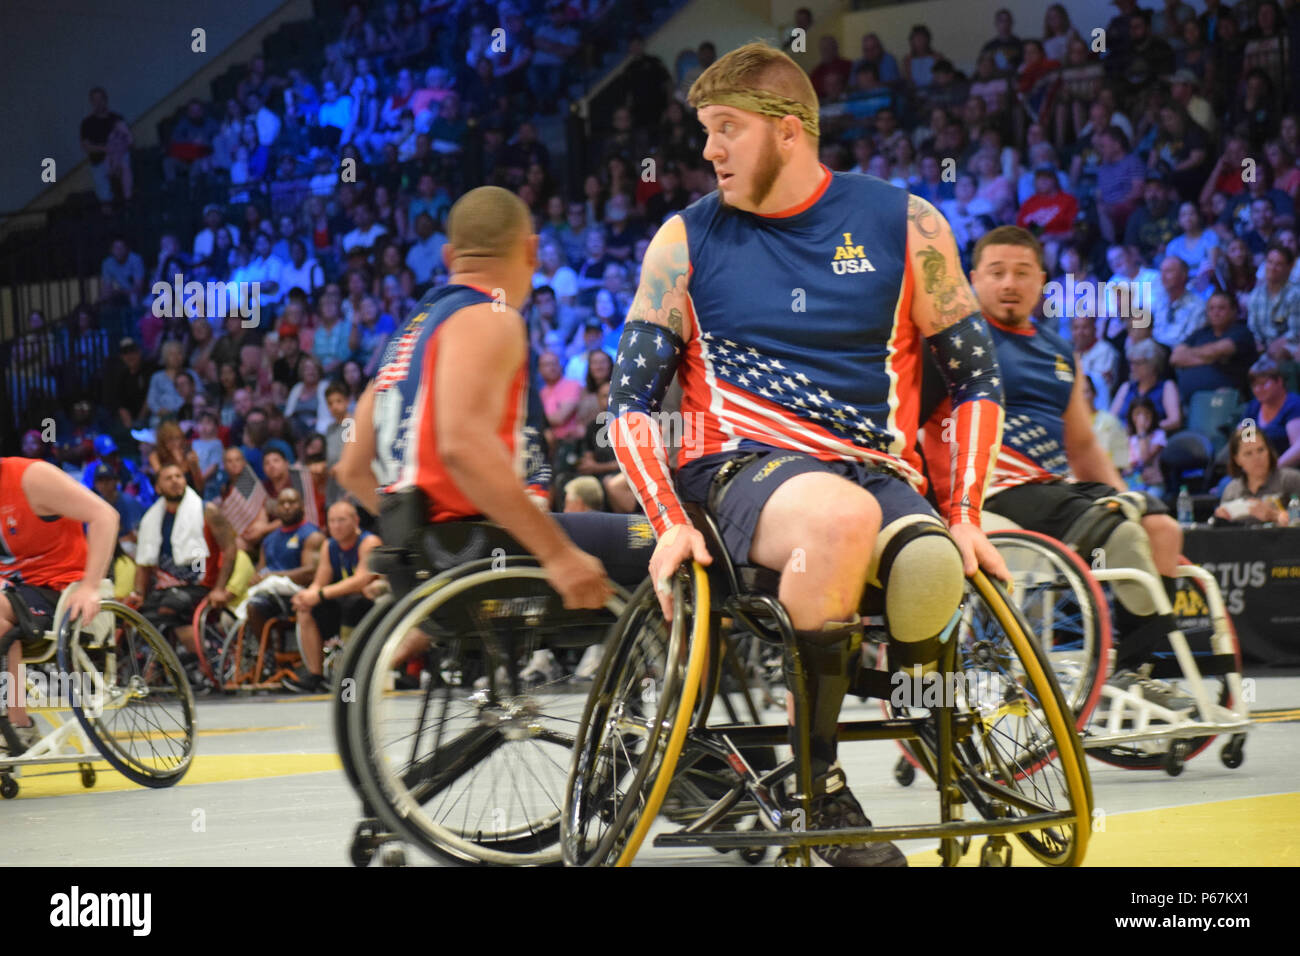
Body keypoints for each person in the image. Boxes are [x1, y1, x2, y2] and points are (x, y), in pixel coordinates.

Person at [604, 42, 1009, 868]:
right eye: (705, 133)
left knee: (927, 559)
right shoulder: (682, 242)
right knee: (837, 517)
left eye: (726, 130)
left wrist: (963, 513)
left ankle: (927, 726)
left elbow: (976, 382)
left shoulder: (908, 223)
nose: (709, 150)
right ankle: (817, 792)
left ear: (789, 133)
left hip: (876, 469)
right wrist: (667, 518)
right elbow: (629, 403)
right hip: (737, 470)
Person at [939, 225, 1190, 702]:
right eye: (996, 273)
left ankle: (1136, 667)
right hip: (993, 488)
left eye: (1021, 273)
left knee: (1160, 527)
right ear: (973, 278)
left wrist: (1123, 495)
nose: (1009, 283)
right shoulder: (956, 339)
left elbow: (1083, 446)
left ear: (1042, 282)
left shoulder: (1058, 351)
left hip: (1052, 487)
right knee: (1121, 532)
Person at [1, 457, 119, 753]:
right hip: (14, 595)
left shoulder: (31, 477)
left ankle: (17, 726)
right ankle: (17, 722)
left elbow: (105, 516)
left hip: (61, 590)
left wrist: (91, 586)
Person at [127, 464, 238, 667]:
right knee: (137, 613)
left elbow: (230, 548)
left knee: (170, 607)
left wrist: (220, 588)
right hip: (165, 587)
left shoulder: (207, 511)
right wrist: (138, 593)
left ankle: (164, 664)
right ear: (158, 487)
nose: (175, 480)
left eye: (179, 476)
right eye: (168, 477)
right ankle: (161, 663)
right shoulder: (151, 518)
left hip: (199, 584)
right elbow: (143, 562)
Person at [284, 501, 378, 692]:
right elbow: (320, 581)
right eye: (332, 521)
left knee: (355, 603)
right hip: (343, 601)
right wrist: (306, 595)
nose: (336, 526)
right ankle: (315, 675)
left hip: (369, 603)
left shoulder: (369, 542)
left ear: (356, 520)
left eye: (341, 520)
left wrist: (319, 594)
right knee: (305, 609)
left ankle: (353, 676)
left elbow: (361, 580)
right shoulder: (329, 545)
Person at [236, 488, 324, 667]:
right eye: (282, 503)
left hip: (298, 596)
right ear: (276, 509)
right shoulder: (269, 539)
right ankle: (266, 656)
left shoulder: (312, 535)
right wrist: (256, 578)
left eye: (292, 502)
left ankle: (269, 658)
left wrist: (274, 575)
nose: (287, 507)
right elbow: (260, 572)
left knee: (256, 605)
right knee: (252, 605)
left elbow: (310, 573)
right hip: (269, 595)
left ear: (302, 506)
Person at [1214, 427, 1300, 525]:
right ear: (1237, 460)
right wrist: (1222, 520)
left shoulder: (1291, 479)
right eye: (1248, 453)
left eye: (1261, 450)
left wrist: (1274, 515)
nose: (1257, 458)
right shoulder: (1232, 490)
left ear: (1269, 451)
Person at [1111, 337, 1182, 433]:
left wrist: (1144, 428)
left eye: (1138, 363)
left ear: (1153, 364)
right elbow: (1111, 418)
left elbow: (1175, 421)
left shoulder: (1166, 386)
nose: (1133, 368)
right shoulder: (1126, 387)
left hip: (1154, 441)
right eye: (1131, 363)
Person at [1240, 357, 1300, 468]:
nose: (1258, 389)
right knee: (1226, 483)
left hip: (1286, 469)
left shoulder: (1294, 405)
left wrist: (1273, 470)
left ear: (1279, 381)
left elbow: (1298, 448)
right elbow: (1245, 441)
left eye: (1263, 384)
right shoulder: (1253, 408)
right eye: (1254, 386)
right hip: (1257, 468)